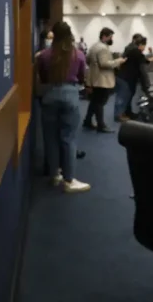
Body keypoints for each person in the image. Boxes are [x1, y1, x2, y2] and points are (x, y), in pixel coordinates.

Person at [36, 21, 91, 193]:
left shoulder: (43, 55)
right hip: (70, 96)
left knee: (50, 138)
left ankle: (54, 175)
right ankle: (69, 180)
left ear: (54, 35)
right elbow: (82, 77)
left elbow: (43, 77)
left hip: (49, 96)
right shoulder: (78, 54)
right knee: (68, 138)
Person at [84, 28, 126, 132]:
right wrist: (118, 61)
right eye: (110, 37)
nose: (112, 39)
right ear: (104, 36)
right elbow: (104, 64)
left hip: (95, 78)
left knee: (94, 101)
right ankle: (101, 125)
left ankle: (87, 121)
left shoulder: (94, 46)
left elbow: (88, 59)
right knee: (100, 103)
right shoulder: (103, 48)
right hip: (102, 79)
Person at [116, 36, 151, 122]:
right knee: (123, 97)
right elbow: (145, 61)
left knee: (128, 96)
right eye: (144, 46)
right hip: (125, 77)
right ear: (141, 45)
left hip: (127, 77)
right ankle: (119, 115)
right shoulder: (135, 51)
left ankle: (127, 113)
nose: (144, 48)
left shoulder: (132, 49)